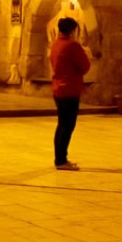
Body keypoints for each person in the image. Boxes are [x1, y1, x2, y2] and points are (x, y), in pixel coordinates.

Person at [49, 16, 90, 171]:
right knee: (68, 126)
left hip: (58, 88)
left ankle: (59, 157)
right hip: (70, 89)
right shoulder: (72, 45)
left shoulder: (56, 44)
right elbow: (85, 65)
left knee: (61, 124)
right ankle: (61, 160)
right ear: (72, 30)